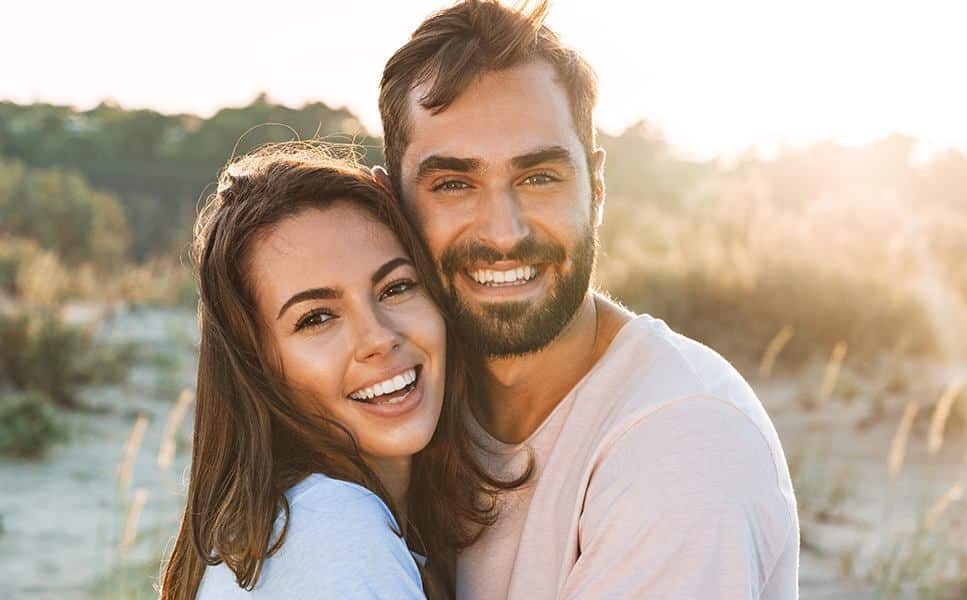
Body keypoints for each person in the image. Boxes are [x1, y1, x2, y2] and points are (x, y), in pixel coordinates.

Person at [375, 1, 800, 598]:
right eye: (453, 184)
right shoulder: (401, 402)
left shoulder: (685, 449)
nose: (503, 232)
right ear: (390, 203)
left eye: (539, 177)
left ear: (596, 188)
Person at [159, 145, 526, 599]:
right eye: (317, 318)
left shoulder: (282, 527)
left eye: (397, 287)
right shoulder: (332, 530)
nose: (378, 337)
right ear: (257, 365)